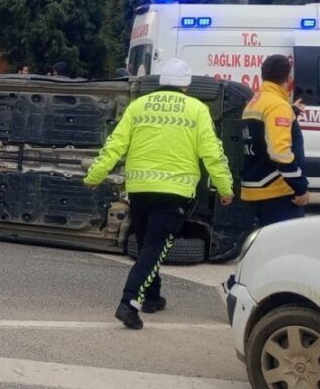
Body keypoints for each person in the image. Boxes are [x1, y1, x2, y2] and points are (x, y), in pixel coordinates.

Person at [84, 58, 234, 330]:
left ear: (161, 81)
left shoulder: (138, 106)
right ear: (187, 86)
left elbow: (115, 144)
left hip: (140, 190)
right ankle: (129, 302)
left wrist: (95, 176)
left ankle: (152, 297)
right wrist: (225, 188)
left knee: (145, 244)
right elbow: (212, 153)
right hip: (175, 192)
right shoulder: (197, 109)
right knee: (155, 247)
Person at [241, 54, 309, 225]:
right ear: (288, 78)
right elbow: (279, 152)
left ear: (262, 74)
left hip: (255, 187)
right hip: (276, 192)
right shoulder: (277, 105)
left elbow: (263, 133)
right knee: (287, 247)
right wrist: (300, 187)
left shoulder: (255, 101)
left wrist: (291, 112)